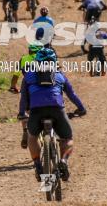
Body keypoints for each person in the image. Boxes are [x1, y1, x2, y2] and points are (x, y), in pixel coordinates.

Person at [18, 48, 86, 182]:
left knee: (32, 137)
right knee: (67, 138)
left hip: (36, 111)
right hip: (57, 110)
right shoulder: (59, 75)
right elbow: (72, 95)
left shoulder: (28, 76)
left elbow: (24, 99)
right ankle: (63, 161)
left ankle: (38, 165)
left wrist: (21, 113)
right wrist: (81, 109)